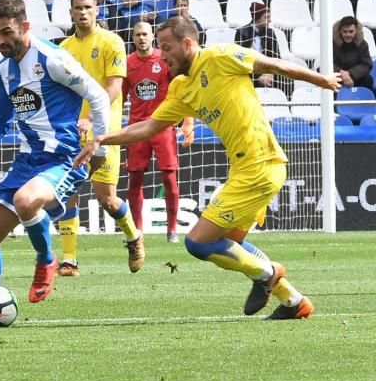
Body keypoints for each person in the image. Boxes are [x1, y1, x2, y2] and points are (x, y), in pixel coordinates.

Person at [74, 16, 342, 320]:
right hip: (243, 168)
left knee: (198, 243)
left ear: (188, 44)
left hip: (261, 165)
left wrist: (321, 80)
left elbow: (273, 65)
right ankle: (293, 301)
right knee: (232, 244)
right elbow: (148, 127)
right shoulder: (182, 87)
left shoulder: (221, 56)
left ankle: (267, 273)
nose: (162, 55)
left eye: (167, 47)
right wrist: (103, 139)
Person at [0, 0, 111, 326]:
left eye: (7, 32)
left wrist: (100, 147)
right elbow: (0, 119)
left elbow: (99, 96)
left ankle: (47, 259)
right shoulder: (5, 69)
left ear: (25, 25)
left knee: (26, 201)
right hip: (26, 162)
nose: (0, 41)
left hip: (64, 158)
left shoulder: (53, 59)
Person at [57, 0, 143, 276]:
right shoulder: (64, 48)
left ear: (97, 10)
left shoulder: (111, 42)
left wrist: (92, 119)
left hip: (104, 131)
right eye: (78, 7)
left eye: (88, 7)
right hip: (72, 131)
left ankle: (134, 237)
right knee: (67, 191)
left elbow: (115, 88)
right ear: (70, 12)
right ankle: (69, 261)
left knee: (107, 199)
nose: (83, 12)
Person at [125, 21, 194, 243]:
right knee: (135, 179)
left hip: (163, 126)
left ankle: (172, 229)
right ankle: (137, 230)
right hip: (137, 128)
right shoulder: (128, 63)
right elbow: (120, 96)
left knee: (170, 178)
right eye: (137, 35)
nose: (141, 38)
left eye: (145, 34)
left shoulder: (163, 60)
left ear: (152, 37)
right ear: (133, 38)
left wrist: (188, 122)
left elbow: (183, 90)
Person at [332, 16, 373, 91]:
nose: (348, 35)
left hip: (355, 77)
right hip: (336, 77)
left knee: (368, 79)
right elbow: (326, 62)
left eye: (351, 31)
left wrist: (350, 73)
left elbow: (366, 64)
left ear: (356, 30)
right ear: (340, 31)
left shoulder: (362, 44)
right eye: (345, 31)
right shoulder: (332, 44)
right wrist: (341, 73)